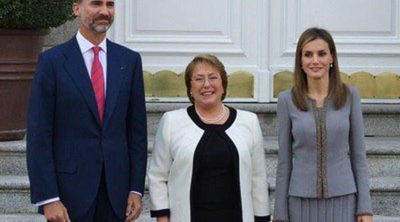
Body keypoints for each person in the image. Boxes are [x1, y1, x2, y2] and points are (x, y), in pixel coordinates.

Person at [26, 0, 147, 221]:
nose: (104, 11)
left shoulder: (129, 61)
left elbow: (136, 133)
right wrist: (49, 198)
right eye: (96, 4)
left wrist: (136, 190)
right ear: (76, 8)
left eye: (110, 5)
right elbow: (39, 134)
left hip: (116, 193)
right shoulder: (52, 62)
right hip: (68, 193)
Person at [148, 54, 270, 222]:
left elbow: (258, 179)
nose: (206, 84)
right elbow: (157, 177)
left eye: (213, 78)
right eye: (198, 79)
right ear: (190, 87)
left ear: (223, 84)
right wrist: (162, 218)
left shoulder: (249, 122)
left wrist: (262, 218)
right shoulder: (172, 122)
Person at [273, 27, 373, 222]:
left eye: (322, 53)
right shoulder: (287, 100)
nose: (315, 60)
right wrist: (280, 214)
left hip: (343, 201)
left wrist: (365, 208)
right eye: (308, 55)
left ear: (332, 59)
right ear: (300, 62)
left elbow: (359, 156)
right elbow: (284, 162)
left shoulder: (350, 96)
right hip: (300, 203)